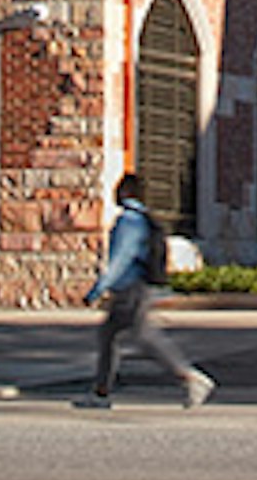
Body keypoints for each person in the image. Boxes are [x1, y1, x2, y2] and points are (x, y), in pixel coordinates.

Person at [82, 172, 212, 408]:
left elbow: (121, 258)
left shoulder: (129, 221)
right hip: (138, 287)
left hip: (131, 289)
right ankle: (101, 391)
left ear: (125, 192)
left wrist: (98, 289)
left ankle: (189, 377)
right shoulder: (144, 218)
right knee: (111, 335)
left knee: (142, 337)